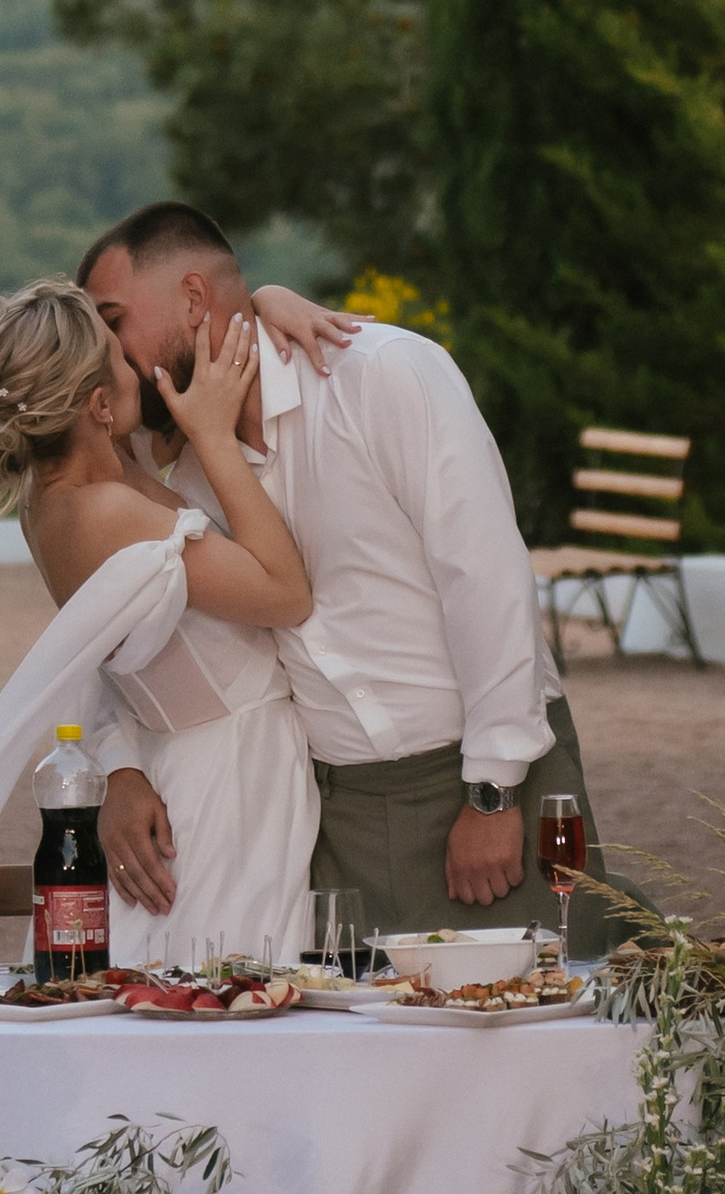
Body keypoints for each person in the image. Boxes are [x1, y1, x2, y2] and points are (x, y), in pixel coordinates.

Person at [77, 202, 617, 948]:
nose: (104, 350)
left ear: (195, 299)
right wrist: (118, 768)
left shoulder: (382, 375)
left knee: (555, 1019)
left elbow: (486, 578)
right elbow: (115, 632)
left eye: (112, 321)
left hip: (483, 779)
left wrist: (493, 794)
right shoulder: (179, 470)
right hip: (335, 816)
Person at [0, 276, 322, 965]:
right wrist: (213, 438)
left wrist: (261, 298)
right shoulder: (108, 515)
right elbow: (285, 591)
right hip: (229, 776)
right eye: (120, 360)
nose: (137, 368)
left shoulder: (52, 504)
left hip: (171, 764)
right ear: (96, 407)